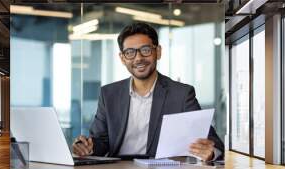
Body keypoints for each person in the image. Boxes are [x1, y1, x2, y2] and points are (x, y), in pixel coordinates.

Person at [72, 22, 224, 161]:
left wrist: (210, 152)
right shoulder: (109, 94)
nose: (138, 58)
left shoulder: (181, 94)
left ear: (157, 52)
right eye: (130, 52)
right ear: (122, 58)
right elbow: (100, 141)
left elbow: (213, 141)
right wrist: (87, 147)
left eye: (145, 50)